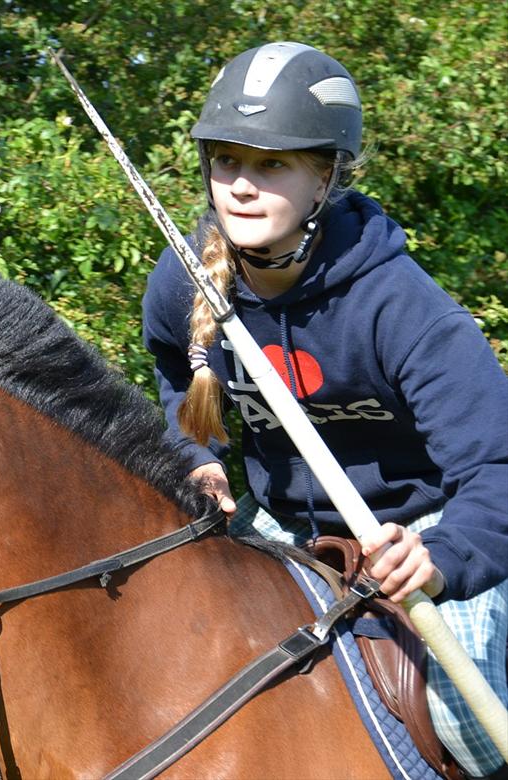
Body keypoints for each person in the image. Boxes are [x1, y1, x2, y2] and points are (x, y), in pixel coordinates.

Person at [141, 41, 508, 777]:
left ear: (325, 179)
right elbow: (176, 382)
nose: (240, 186)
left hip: (425, 529)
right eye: (226, 161)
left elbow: (498, 469)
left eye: (271, 164)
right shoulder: (183, 285)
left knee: (470, 726)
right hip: (284, 531)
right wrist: (198, 460)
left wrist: (439, 558)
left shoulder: (403, 308)